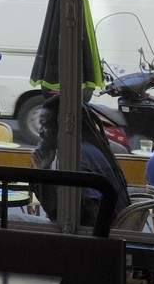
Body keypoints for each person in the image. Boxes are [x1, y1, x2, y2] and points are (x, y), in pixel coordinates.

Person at [31, 94, 131, 228]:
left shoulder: (75, 157)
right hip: (105, 230)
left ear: (63, 126)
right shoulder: (87, 149)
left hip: (92, 235)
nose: (41, 132)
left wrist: (42, 172)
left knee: (11, 219)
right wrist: (43, 169)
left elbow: (64, 214)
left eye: (46, 125)